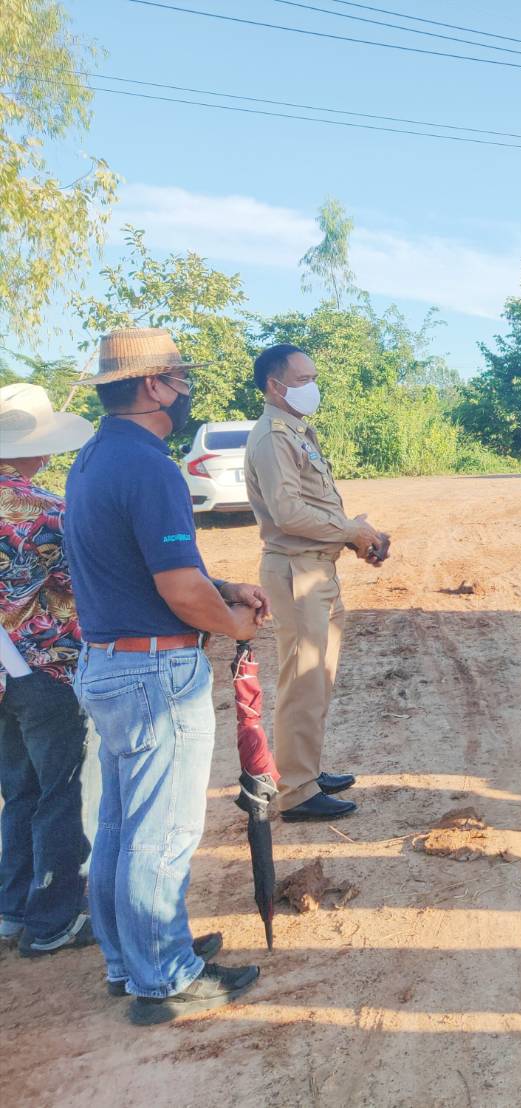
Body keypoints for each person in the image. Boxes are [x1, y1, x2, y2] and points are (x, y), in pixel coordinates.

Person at [66, 327, 266, 1024]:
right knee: (163, 831)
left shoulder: (96, 456)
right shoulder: (150, 466)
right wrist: (235, 624)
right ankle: (164, 977)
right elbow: (179, 588)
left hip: (110, 662)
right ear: (152, 385)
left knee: (121, 825)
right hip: (153, 671)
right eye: (179, 378)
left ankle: (133, 957)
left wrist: (224, 586)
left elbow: (144, 565)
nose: (185, 390)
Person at [245, 344, 387, 823]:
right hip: (296, 571)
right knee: (302, 681)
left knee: (317, 681)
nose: (312, 388)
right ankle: (297, 792)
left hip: (316, 568)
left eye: (313, 378)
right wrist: (350, 530)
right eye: (302, 380)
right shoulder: (273, 438)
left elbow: (312, 506)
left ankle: (304, 771)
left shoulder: (295, 431)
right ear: (274, 386)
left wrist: (354, 535)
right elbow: (287, 513)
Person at [0, 384, 95, 957]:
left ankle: (13, 908)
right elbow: (80, 583)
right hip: (43, 668)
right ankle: (54, 919)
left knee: (19, 791)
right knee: (59, 791)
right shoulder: (46, 511)